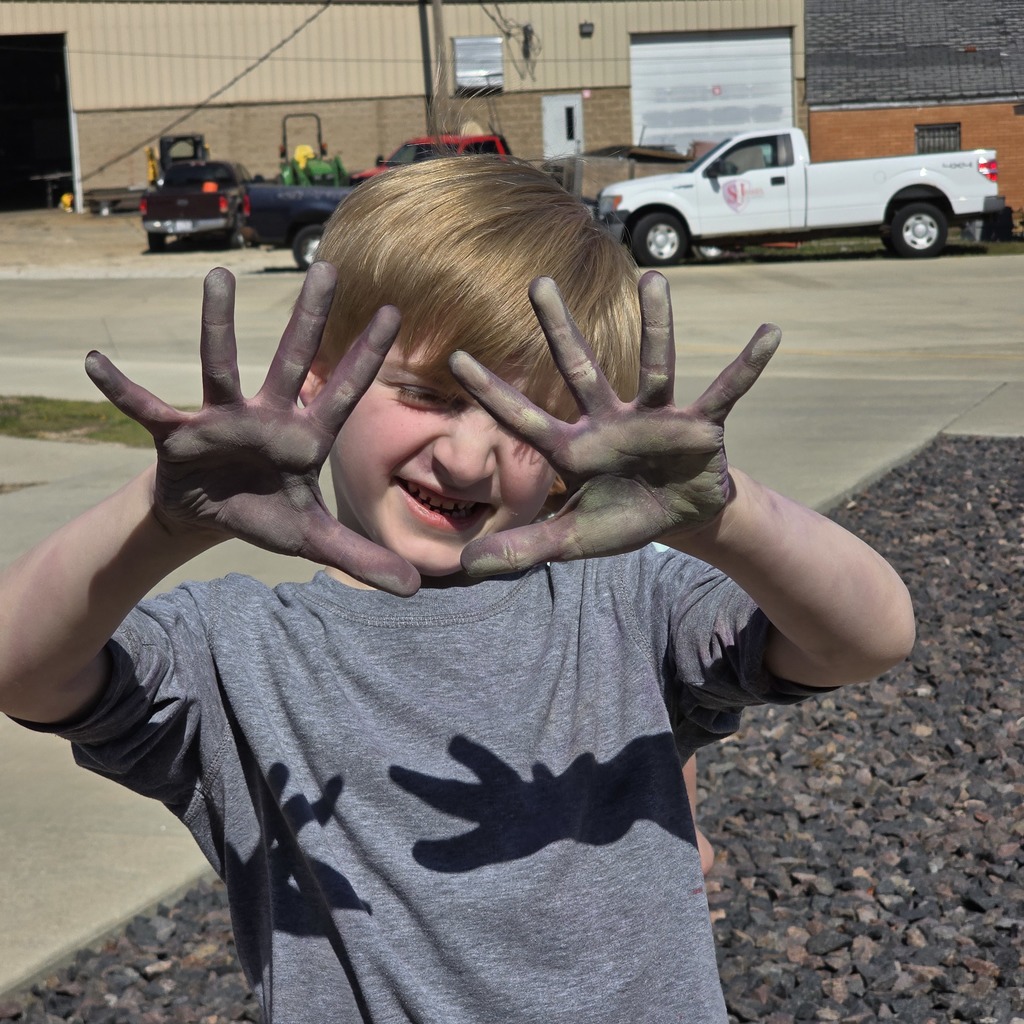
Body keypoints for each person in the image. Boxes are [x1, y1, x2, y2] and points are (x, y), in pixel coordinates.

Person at [0, 157, 914, 1023]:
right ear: (320, 382)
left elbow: (866, 637)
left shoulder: (626, 602)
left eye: (527, 421)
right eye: (430, 394)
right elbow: (20, 668)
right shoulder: (234, 651)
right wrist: (163, 517)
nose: (469, 455)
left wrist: (721, 514)